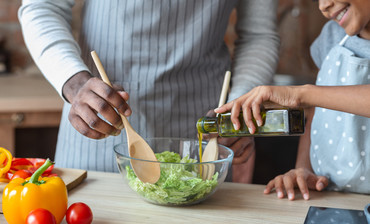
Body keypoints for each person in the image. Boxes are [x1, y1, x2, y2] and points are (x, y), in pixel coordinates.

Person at [18, 0, 280, 183]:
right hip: (97, 124)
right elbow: (43, 6)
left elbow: (259, 34)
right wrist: (73, 82)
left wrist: (240, 105)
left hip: (203, 136)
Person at [215, 0, 370, 196]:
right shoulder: (332, 36)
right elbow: (319, 112)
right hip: (333, 199)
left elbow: (312, 98)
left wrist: (301, 94)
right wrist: (304, 168)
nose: (324, 6)